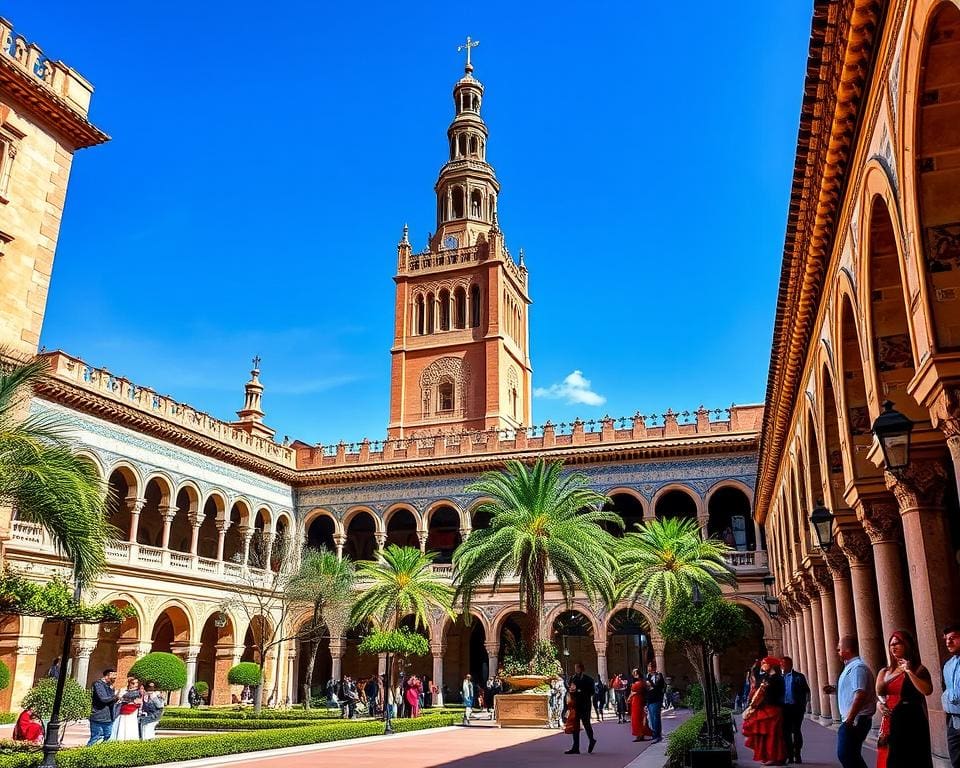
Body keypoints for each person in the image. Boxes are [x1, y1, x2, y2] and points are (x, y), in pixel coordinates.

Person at [876, 630, 932, 768]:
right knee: (889, 759)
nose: (893, 647)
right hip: (890, 719)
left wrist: (908, 671)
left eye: (898, 643)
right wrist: (879, 704)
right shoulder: (885, 671)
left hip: (911, 720)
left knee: (912, 759)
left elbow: (927, 690)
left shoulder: (919, 669)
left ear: (907, 645)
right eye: (891, 644)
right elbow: (879, 692)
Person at [823, 635, 875, 768]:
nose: (837, 650)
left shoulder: (858, 668)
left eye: (839, 648)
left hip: (856, 719)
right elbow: (853, 691)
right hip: (854, 719)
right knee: (851, 755)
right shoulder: (851, 667)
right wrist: (835, 689)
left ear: (848, 649)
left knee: (846, 754)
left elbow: (860, 694)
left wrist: (850, 720)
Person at [742, 656, 787, 765]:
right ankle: (769, 756)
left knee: (773, 735)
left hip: (773, 709)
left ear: (770, 665)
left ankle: (775, 757)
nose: (762, 666)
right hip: (765, 708)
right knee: (766, 735)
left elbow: (772, 694)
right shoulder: (767, 677)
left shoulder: (777, 679)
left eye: (764, 663)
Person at [781, 656, 810, 764]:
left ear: (790, 664)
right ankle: (789, 755)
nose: (782, 665)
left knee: (796, 731)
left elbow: (807, 691)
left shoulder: (799, 677)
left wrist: (803, 704)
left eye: (784, 664)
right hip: (784, 708)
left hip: (796, 708)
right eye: (781, 664)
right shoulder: (780, 677)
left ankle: (797, 754)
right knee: (786, 732)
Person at [568, 662, 596, 754]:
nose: (576, 669)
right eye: (575, 668)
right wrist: (571, 691)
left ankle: (591, 740)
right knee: (575, 726)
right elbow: (569, 687)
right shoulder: (573, 678)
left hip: (585, 704)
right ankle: (575, 747)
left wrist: (579, 691)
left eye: (577, 668)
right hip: (575, 704)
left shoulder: (588, 679)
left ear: (581, 669)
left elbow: (592, 692)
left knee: (586, 724)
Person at [87, 667, 119, 746]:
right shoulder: (98, 684)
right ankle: (88, 754)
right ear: (108, 675)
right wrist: (116, 697)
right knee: (96, 738)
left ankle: (100, 755)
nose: (115, 679)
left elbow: (111, 700)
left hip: (108, 717)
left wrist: (113, 691)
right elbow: (103, 699)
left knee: (108, 737)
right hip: (98, 716)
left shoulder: (110, 686)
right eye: (113, 677)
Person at [943, 623, 960, 768]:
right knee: (956, 759)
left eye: (953, 638)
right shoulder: (947, 665)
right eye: (946, 639)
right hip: (953, 721)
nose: (948, 642)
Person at [627, 667, 652, 743]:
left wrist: (630, 697)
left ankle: (640, 734)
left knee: (638, 717)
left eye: (636, 673)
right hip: (635, 701)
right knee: (635, 717)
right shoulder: (638, 682)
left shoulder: (641, 682)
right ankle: (639, 734)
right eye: (634, 673)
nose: (635, 675)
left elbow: (634, 691)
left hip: (638, 700)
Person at [115, 675, 142, 741]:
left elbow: (139, 701)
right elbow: (119, 698)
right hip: (123, 711)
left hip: (133, 711)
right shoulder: (123, 690)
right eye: (133, 683)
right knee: (123, 725)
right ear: (129, 683)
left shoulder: (138, 692)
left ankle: (131, 740)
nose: (135, 685)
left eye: (137, 683)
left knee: (131, 725)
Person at [646, 660, 666, 743]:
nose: (649, 668)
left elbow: (658, 687)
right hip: (650, 699)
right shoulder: (648, 676)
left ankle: (657, 735)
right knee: (651, 718)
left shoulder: (658, 676)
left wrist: (650, 684)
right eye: (648, 666)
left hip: (656, 699)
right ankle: (654, 734)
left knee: (656, 718)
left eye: (651, 666)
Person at [563, 682, 581, 752]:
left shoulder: (576, 693)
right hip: (572, 712)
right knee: (574, 730)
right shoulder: (571, 693)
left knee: (575, 729)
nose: (571, 687)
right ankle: (575, 747)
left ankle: (576, 748)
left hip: (575, 713)